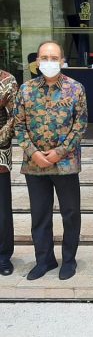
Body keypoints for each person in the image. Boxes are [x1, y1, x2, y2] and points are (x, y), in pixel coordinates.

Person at [14, 41, 87, 281]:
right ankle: (44, 260)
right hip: (34, 165)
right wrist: (33, 152)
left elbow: (80, 126)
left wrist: (59, 152)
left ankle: (69, 260)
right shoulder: (25, 90)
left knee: (70, 213)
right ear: (36, 62)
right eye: (44, 57)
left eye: (53, 57)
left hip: (65, 164)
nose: (48, 62)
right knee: (40, 215)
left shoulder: (75, 89)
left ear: (62, 61)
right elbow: (19, 126)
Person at [0, 69, 18, 276]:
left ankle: (3, 255)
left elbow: (14, 118)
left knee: (2, 209)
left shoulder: (7, 80)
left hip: (0, 153)